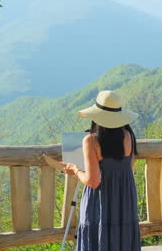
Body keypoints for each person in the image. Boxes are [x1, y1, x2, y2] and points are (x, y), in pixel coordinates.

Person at [60, 90, 141, 251]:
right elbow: (128, 168)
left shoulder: (91, 141)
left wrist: (75, 169)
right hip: (124, 200)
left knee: (97, 238)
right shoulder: (128, 136)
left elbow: (93, 181)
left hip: (100, 202)